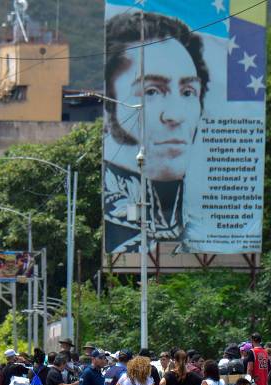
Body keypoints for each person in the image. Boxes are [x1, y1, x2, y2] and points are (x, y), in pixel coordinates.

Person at [103, 11, 210, 250]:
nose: (175, 115)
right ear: (110, 105)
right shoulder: (109, 211)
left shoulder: (215, 220)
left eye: (187, 92)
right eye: (151, 92)